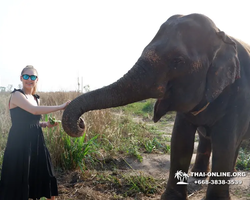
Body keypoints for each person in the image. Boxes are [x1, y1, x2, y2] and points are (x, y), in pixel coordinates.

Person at [0, 65, 70, 200]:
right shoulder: (16, 95)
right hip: (19, 143)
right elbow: (33, 111)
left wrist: (46, 124)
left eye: (33, 77)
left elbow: (31, 121)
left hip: (36, 141)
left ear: (37, 80)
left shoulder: (36, 98)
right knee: (19, 178)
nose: (29, 79)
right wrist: (61, 107)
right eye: (26, 76)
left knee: (46, 174)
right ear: (21, 78)